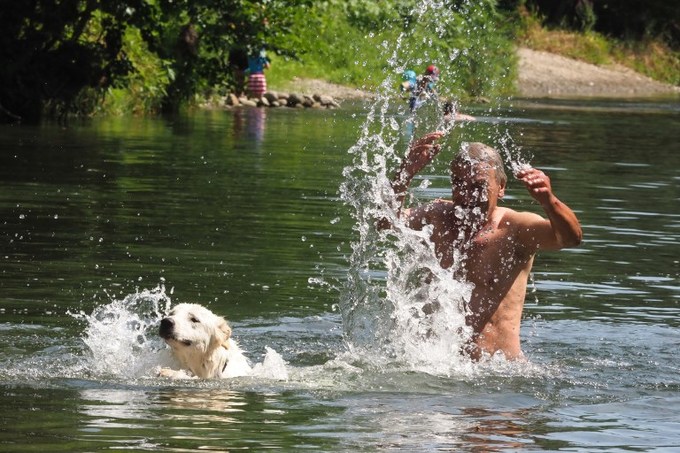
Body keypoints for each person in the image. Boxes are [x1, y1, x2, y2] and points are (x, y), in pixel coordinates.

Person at [379, 132, 582, 360]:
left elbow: (570, 238)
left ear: (501, 187)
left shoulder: (515, 229)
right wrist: (404, 173)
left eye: (478, 186)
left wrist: (549, 201)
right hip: (436, 367)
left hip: (497, 375)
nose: (467, 195)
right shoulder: (436, 218)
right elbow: (385, 223)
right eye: (459, 184)